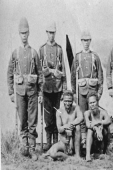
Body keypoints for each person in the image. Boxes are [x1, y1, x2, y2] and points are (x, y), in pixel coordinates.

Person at [7, 17, 43, 160]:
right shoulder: (15, 53)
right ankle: (24, 148)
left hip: (33, 92)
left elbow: (40, 74)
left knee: (32, 121)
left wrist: (40, 92)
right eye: (21, 33)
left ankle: (33, 148)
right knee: (22, 119)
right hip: (20, 92)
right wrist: (11, 93)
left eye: (26, 33)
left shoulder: (34, 53)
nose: (24, 36)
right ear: (19, 34)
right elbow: (9, 73)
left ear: (29, 33)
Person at [71, 30, 104, 148]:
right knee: (82, 115)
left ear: (90, 41)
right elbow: (73, 77)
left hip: (93, 92)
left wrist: (99, 92)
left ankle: (96, 141)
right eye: (84, 40)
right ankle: (83, 140)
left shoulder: (95, 57)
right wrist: (74, 93)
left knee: (94, 115)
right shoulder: (77, 57)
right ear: (81, 41)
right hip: (81, 92)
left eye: (87, 40)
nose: (86, 43)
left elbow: (100, 75)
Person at [39, 21, 67, 151]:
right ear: (46, 33)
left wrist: (65, 89)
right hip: (46, 88)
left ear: (55, 33)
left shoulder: (59, 49)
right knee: (48, 116)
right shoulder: (42, 49)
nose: (51, 35)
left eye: (53, 33)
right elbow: (39, 72)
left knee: (58, 114)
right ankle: (49, 143)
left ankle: (57, 143)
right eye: (49, 32)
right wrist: (39, 91)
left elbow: (64, 70)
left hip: (58, 88)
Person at [43, 90, 83, 160]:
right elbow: (59, 129)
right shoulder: (59, 111)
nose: (67, 103)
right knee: (52, 153)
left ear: (72, 101)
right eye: (66, 101)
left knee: (78, 127)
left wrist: (72, 124)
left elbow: (81, 117)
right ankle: (68, 158)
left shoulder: (76, 108)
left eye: (69, 101)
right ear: (63, 101)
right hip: (63, 142)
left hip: (73, 142)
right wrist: (66, 126)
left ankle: (77, 155)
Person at [84, 92, 111, 162]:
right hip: (92, 139)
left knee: (107, 127)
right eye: (90, 103)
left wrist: (100, 125)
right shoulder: (87, 113)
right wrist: (96, 128)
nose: (92, 105)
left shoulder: (102, 112)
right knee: (90, 130)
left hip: (102, 136)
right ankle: (88, 155)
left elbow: (108, 120)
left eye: (94, 102)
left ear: (97, 102)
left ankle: (106, 150)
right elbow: (88, 124)